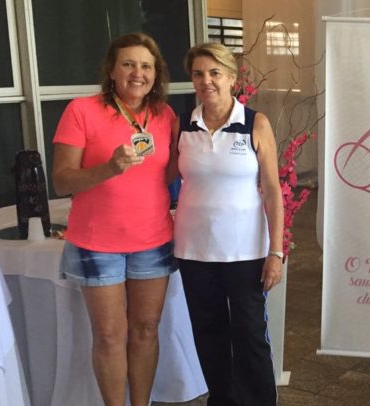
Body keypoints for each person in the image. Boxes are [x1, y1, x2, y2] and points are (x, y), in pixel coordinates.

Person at [51, 32, 178, 406]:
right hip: (97, 243)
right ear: (111, 70)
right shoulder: (81, 110)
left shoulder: (165, 115)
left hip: (153, 239)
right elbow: (61, 181)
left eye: (146, 66)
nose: (138, 73)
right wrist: (109, 169)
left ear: (156, 74)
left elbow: (169, 172)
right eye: (128, 64)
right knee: (108, 336)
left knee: (146, 330)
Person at [172, 42, 283, 406]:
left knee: (250, 334)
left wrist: (276, 252)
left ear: (232, 78)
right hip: (194, 251)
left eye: (215, 73)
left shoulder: (255, 123)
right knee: (209, 334)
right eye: (198, 74)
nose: (206, 81)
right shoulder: (183, 126)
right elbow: (165, 180)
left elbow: (272, 191)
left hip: (245, 252)